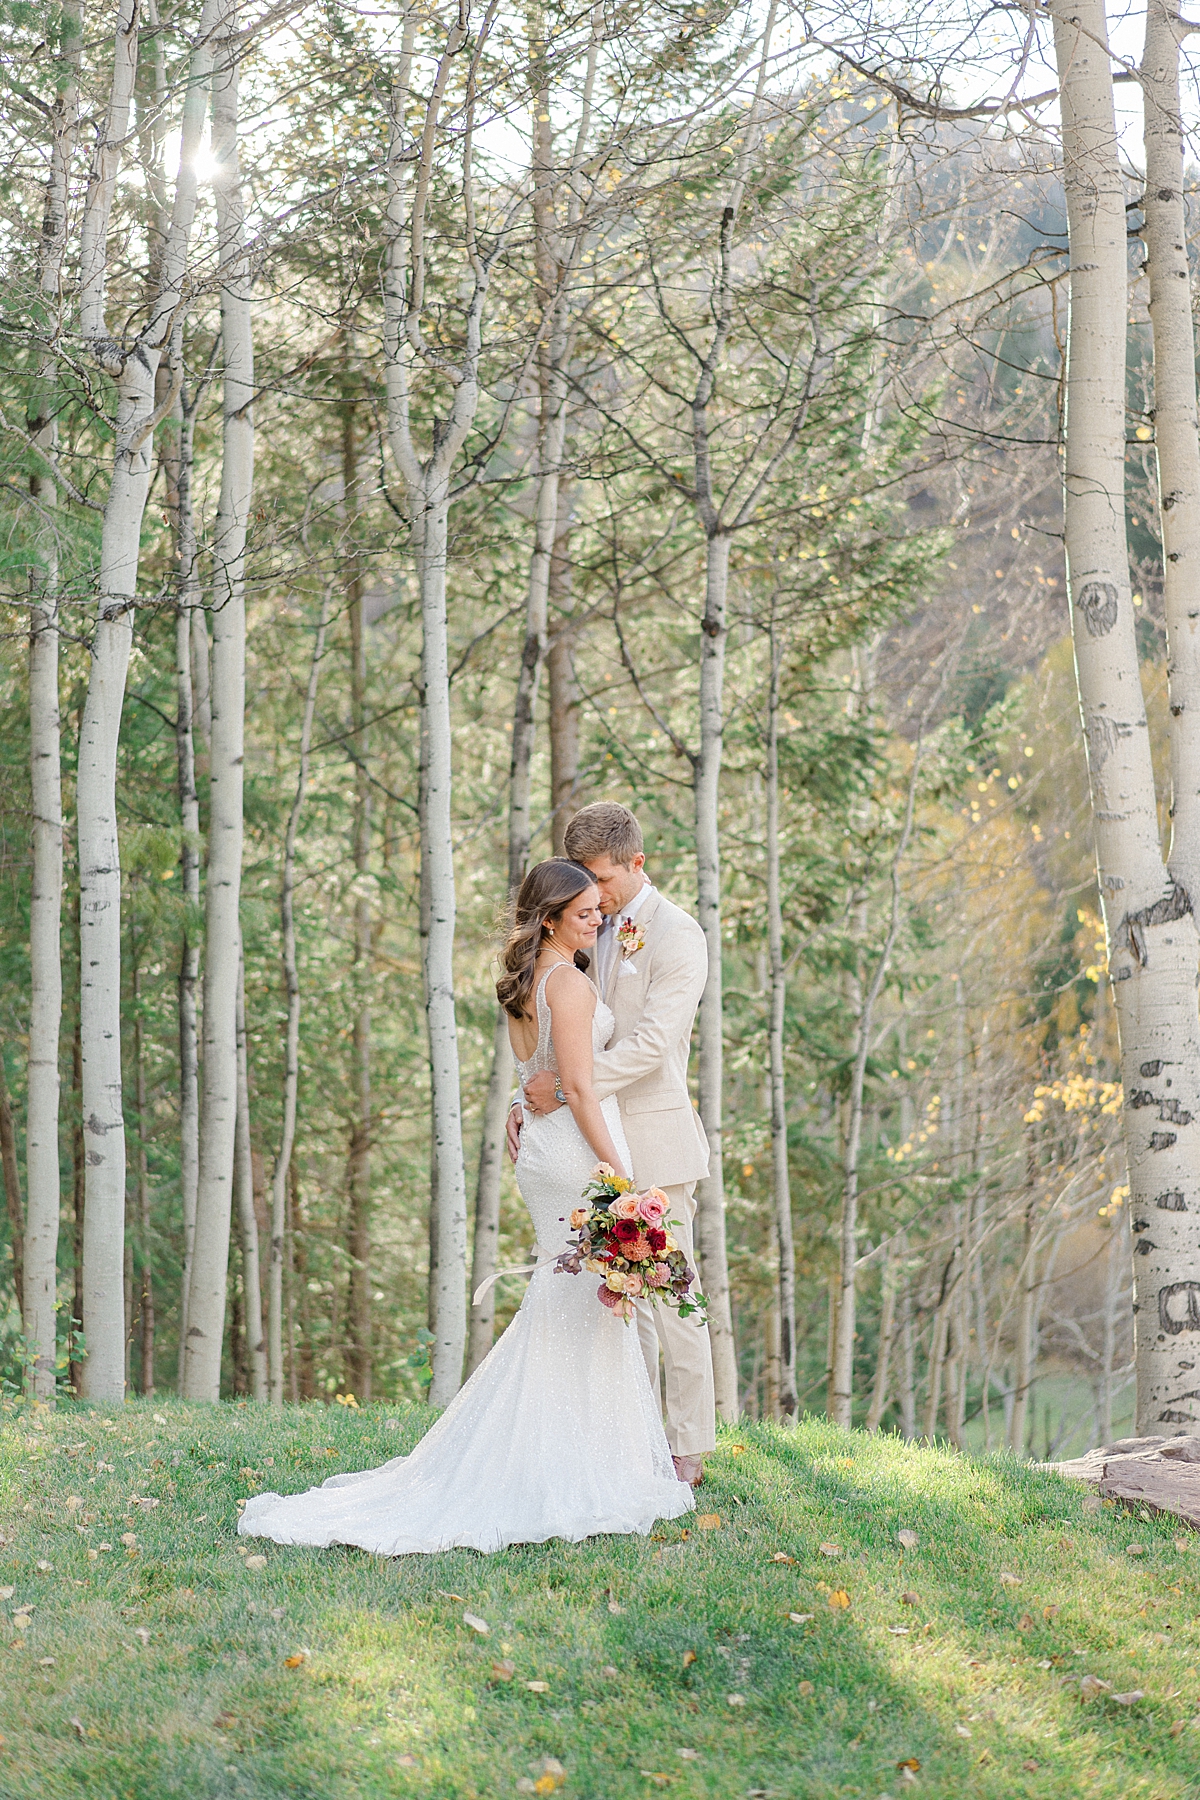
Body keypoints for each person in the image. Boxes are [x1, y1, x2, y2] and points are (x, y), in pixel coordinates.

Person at [237, 857, 692, 1556]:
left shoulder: (524, 983)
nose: (596, 919)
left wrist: (531, 1108)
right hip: (576, 1150)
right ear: (549, 919)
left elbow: (538, 1073)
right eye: (582, 913)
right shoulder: (567, 984)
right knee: (581, 1303)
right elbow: (575, 1084)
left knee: (569, 1297)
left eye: (598, 909)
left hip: (544, 1149)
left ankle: (573, 1453)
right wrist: (623, 1175)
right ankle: (573, 1465)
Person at [509, 802, 717, 1487]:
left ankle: (687, 1450)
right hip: (587, 1145)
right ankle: (638, 1443)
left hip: (651, 1137)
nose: (594, 895)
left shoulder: (679, 936)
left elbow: (653, 1045)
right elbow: (553, 1032)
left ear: (637, 864)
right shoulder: (588, 928)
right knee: (620, 1302)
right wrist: (526, 1100)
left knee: (676, 1295)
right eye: (583, 882)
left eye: (602, 878)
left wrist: (568, 1092)